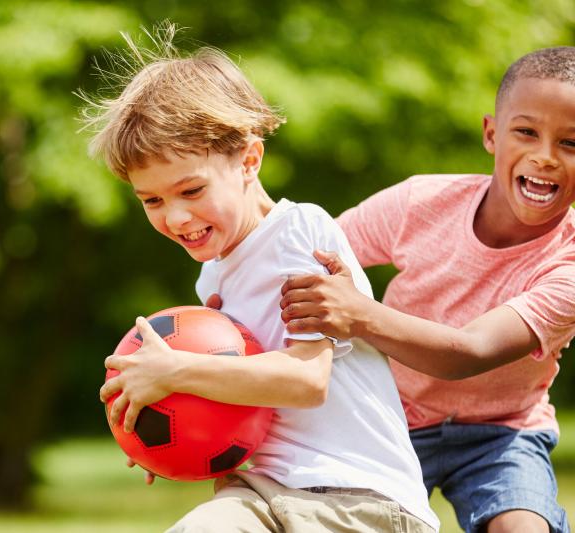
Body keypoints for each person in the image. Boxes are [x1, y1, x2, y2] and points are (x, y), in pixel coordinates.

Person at [82, 24, 438, 532]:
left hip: (354, 496)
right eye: (153, 201)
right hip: (261, 489)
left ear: (249, 160)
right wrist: (172, 427)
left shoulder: (300, 234)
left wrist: (174, 371)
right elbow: (240, 397)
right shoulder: (213, 279)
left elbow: (305, 380)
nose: (176, 217)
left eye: (191, 189)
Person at [278, 46, 575, 533]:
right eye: (527, 132)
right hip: (386, 415)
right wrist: (239, 308)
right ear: (491, 134)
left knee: (524, 527)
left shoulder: (569, 263)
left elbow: (470, 352)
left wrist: (359, 313)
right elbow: (304, 252)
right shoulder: (422, 201)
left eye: (571, 142)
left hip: (500, 434)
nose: (545, 156)